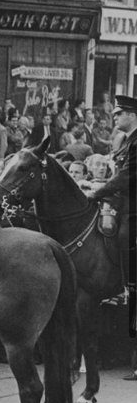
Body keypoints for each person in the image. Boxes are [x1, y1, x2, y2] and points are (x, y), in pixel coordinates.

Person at [85, 95, 137, 363]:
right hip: (123, 199)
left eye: (119, 114)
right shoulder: (126, 140)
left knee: (127, 233)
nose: (114, 118)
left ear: (131, 114)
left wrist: (98, 192)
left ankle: (129, 286)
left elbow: (128, 175)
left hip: (134, 204)